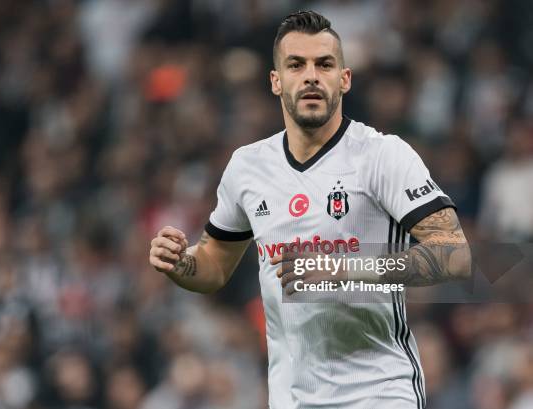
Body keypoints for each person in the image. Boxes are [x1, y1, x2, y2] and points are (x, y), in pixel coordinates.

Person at [149, 10, 471, 409]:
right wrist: (182, 264)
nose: (311, 75)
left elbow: (454, 255)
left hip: (380, 392)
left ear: (345, 79)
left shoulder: (383, 156)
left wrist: (341, 270)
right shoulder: (247, 168)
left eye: (325, 64)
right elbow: (214, 265)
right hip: (292, 399)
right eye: (296, 65)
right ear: (276, 80)